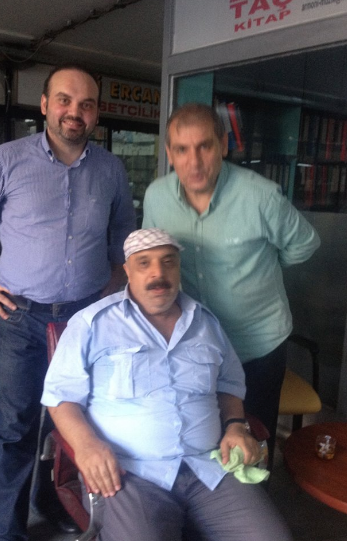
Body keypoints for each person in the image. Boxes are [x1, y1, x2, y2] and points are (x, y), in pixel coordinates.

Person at [0, 64, 135, 541]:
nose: (75, 111)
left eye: (86, 104)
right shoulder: (6, 160)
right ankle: (6, 532)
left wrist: (115, 281)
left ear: (96, 114)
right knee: (17, 427)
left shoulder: (110, 169)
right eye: (65, 100)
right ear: (46, 105)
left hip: (85, 320)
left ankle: (54, 501)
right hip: (20, 318)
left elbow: (122, 233)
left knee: (73, 421)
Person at [41, 228, 293, 541]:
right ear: (127, 270)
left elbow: (229, 383)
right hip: (129, 473)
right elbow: (60, 397)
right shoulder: (92, 323)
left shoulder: (206, 322)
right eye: (144, 263)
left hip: (208, 466)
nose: (158, 273)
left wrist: (235, 426)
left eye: (168, 262)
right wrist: (86, 445)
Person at [142, 103, 320, 468]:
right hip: (196, 344)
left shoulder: (261, 196)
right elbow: (152, 254)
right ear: (169, 153)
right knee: (203, 435)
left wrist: (265, 266)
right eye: (182, 149)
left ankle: (255, 494)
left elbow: (305, 243)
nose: (194, 161)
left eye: (204, 146)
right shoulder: (157, 197)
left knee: (254, 441)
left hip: (257, 345)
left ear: (223, 144)